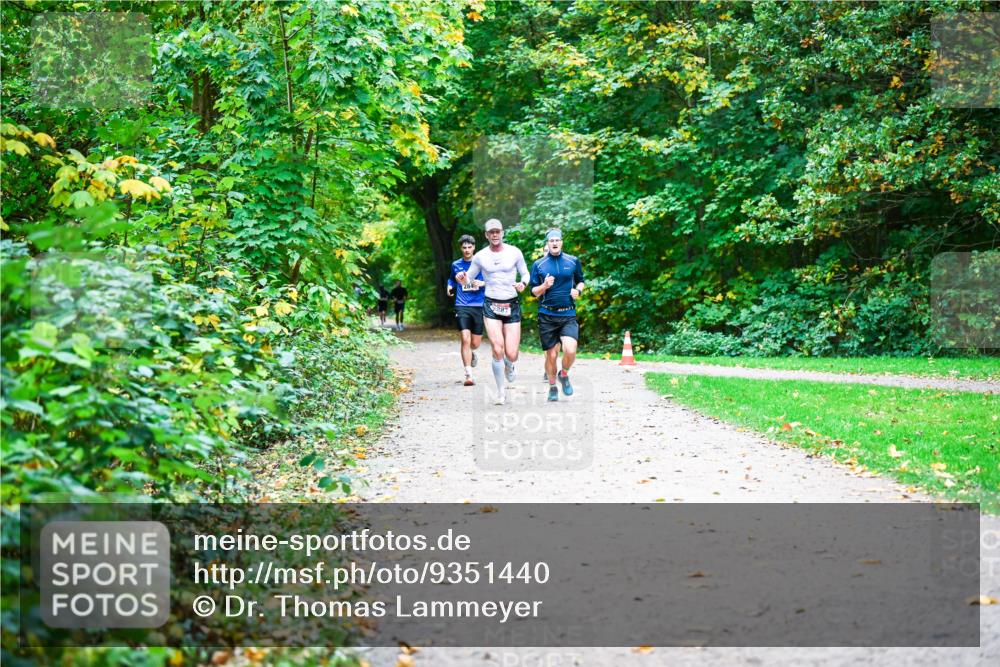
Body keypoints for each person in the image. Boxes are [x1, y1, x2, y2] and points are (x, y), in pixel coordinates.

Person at [455, 219, 529, 404]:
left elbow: (525, 273)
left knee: (511, 353)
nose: (495, 235)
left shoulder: (514, 252)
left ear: (502, 233)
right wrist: (461, 278)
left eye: (498, 231)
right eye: (491, 232)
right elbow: (468, 280)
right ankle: (501, 393)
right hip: (491, 304)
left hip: (511, 303)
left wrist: (523, 284)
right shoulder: (480, 256)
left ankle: (510, 364)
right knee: (497, 349)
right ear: (486, 235)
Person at [529, 228, 585, 401]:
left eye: (557, 240)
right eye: (551, 240)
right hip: (547, 315)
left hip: (567, 313)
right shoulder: (539, 265)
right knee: (551, 355)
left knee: (570, 350)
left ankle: (564, 374)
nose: (554, 243)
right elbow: (533, 292)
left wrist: (578, 291)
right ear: (547, 243)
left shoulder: (573, 261)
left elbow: (581, 281)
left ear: (561, 242)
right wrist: (544, 286)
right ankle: (552, 386)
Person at [447, 235, 486, 386]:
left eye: (469, 247)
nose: (467, 250)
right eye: (464, 247)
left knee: (474, 343)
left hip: (479, 305)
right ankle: (469, 374)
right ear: (461, 248)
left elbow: (492, 280)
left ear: (474, 247)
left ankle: (471, 353)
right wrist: (450, 286)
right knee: (465, 338)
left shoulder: (482, 263)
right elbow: (451, 279)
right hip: (462, 304)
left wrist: (481, 283)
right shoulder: (456, 264)